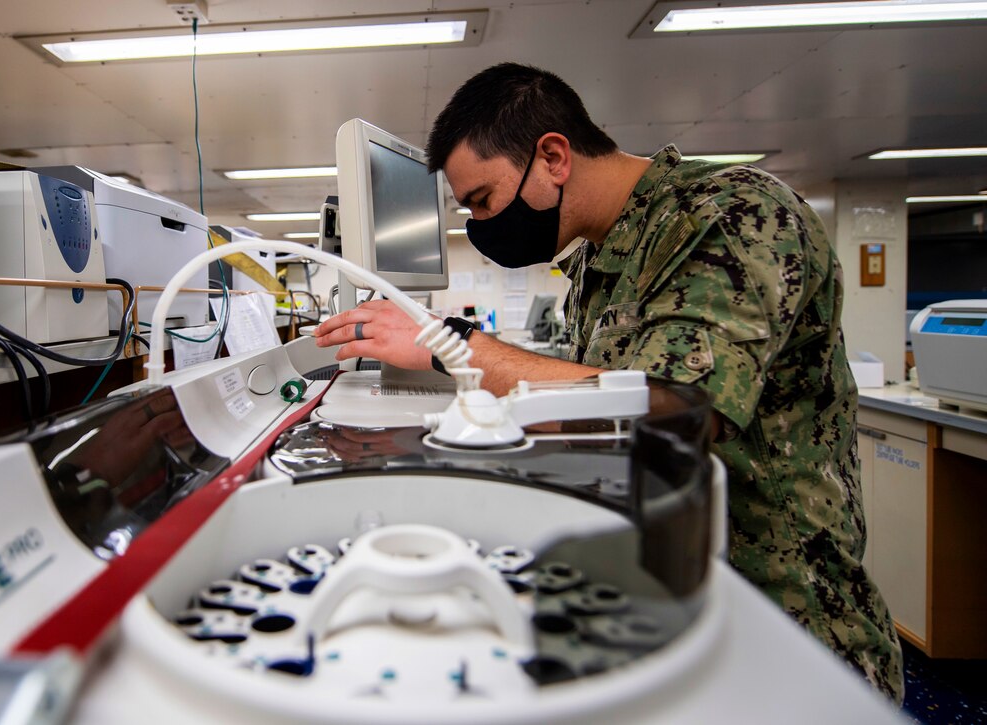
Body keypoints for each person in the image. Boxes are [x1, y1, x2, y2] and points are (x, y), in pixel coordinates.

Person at [314, 62, 903, 701]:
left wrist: (451, 346)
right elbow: (588, 398)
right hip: (675, 593)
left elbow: (670, 407)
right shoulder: (601, 260)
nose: (483, 226)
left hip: (782, 623)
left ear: (554, 157)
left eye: (484, 200)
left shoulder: (730, 217)